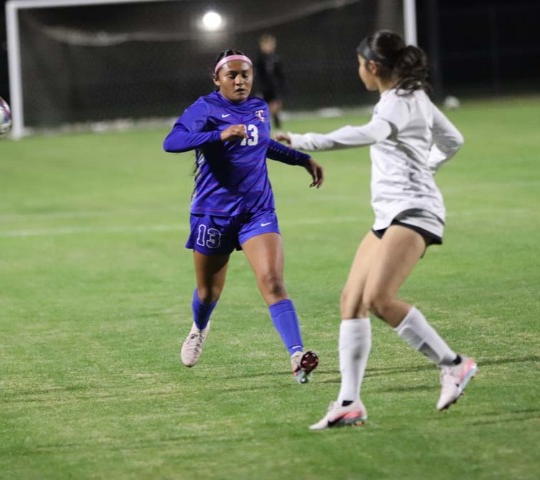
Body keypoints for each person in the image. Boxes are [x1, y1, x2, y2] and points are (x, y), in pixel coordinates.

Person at [276, 30, 477, 426]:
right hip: (391, 214)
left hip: (413, 211)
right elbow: (453, 140)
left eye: (359, 65)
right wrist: (428, 166)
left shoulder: (397, 103)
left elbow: (369, 134)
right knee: (351, 301)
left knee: (380, 299)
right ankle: (348, 402)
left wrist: (303, 140)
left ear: (372, 66)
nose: (358, 71)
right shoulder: (412, 97)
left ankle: (454, 364)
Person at [163, 49, 324, 383]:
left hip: (256, 210)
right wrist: (217, 135)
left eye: (245, 75)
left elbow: (261, 144)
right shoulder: (205, 108)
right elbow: (172, 141)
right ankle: (199, 328)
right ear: (217, 79)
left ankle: (297, 356)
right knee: (208, 292)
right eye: (232, 75)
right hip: (213, 213)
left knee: (273, 282)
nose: (239, 81)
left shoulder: (259, 108)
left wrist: (301, 159)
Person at [255, 34, 285, 130]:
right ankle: (264, 124)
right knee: (266, 107)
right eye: (266, 45)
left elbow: (280, 74)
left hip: (275, 87)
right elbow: (259, 74)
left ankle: (276, 125)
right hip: (264, 87)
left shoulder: (276, 58)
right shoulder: (260, 59)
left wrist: (281, 85)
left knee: (276, 105)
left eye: (271, 44)